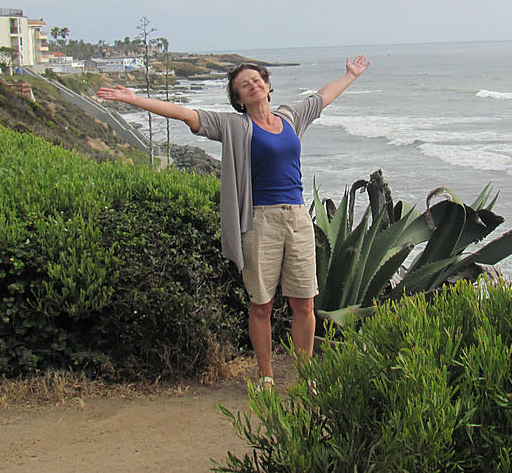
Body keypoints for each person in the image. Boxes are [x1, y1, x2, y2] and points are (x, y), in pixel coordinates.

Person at [96, 55, 369, 389]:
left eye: (257, 80)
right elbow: (186, 114)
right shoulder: (233, 125)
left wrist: (350, 74)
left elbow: (322, 97)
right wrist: (135, 100)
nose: (253, 86)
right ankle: (266, 376)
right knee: (261, 304)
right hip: (259, 221)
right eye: (245, 85)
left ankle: (306, 377)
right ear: (238, 99)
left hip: (297, 217)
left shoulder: (290, 117)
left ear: (267, 86)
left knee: (304, 303)